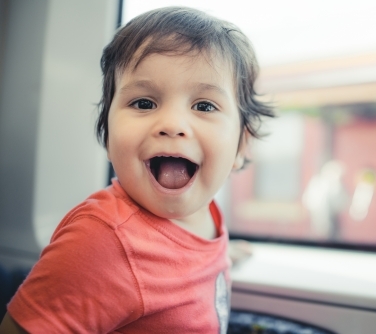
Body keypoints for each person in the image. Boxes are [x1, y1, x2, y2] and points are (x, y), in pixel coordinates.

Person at [0, 6, 273, 334]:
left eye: (204, 106)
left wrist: (223, 252)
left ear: (241, 147)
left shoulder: (206, 214)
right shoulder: (100, 243)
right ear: (107, 133)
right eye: (144, 103)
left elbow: (176, 258)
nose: (172, 124)